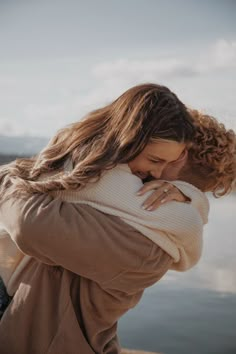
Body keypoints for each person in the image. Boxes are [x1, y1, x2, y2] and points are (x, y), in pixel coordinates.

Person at [0, 84, 235, 354]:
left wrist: (8, 178)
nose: (151, 174)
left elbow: (29, 222)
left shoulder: (144, 243)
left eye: (161, 162)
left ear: (182, 166)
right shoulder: (131, 213)